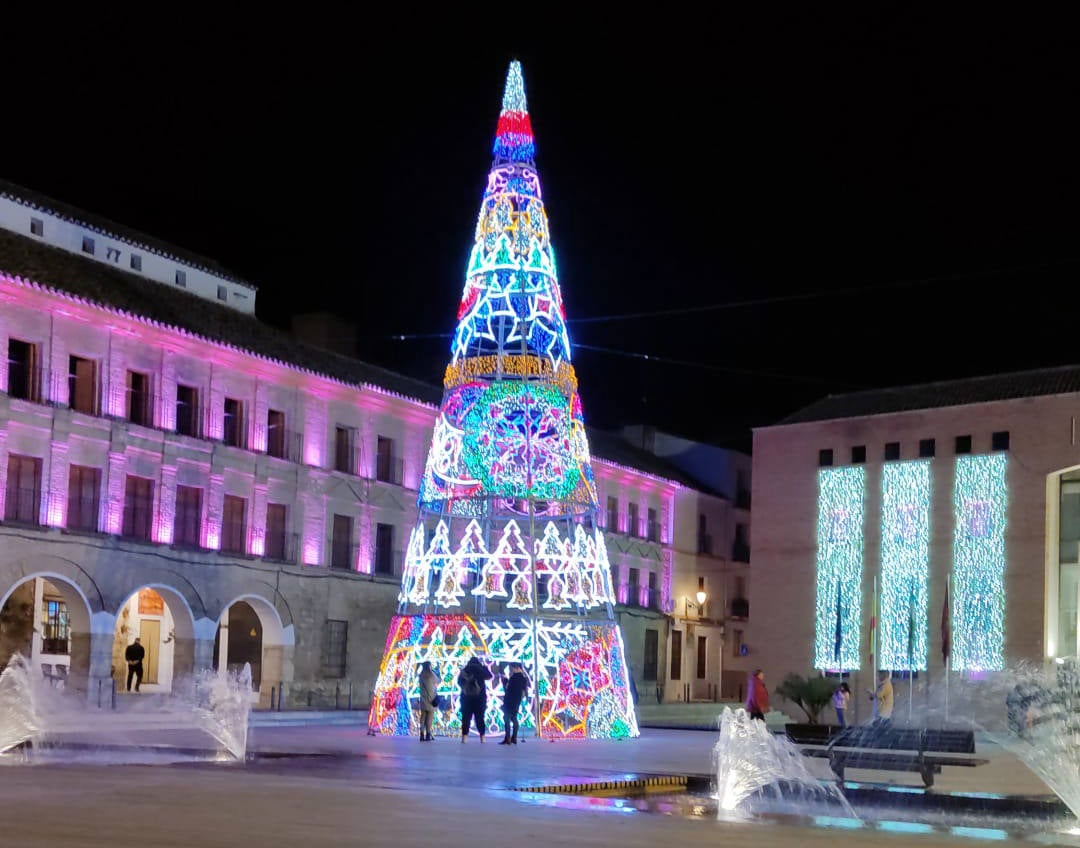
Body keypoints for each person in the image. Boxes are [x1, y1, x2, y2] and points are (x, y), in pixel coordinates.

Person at [457, 656, 492, 743]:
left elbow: (459, 682)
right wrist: (483, 668)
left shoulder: (465, 670)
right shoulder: (481, 669)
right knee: (480, 718)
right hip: (480, 698)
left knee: (466, 718)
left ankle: (464, 738)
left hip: (466, 698)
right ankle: (482, 738)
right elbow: (489, 676)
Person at [499, 662, 530, 745]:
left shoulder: (514, 678)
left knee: (507, 718)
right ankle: (514, 737)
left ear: (516, 668)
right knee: (514, 718)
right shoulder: (523, 678)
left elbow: (508, 690)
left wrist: (504, 681)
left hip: (509, 701)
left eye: (512, 668)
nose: (511, 670)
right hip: (517, 701)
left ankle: (508, 738)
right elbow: (524, 691)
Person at [418, 661, 439, 742]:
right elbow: (438, 681)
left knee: (423, 717)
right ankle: (428, 734)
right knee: (429, 717)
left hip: (423, 699)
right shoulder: (432, 675)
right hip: (431, 700)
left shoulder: (421, 676)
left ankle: (422, 734)